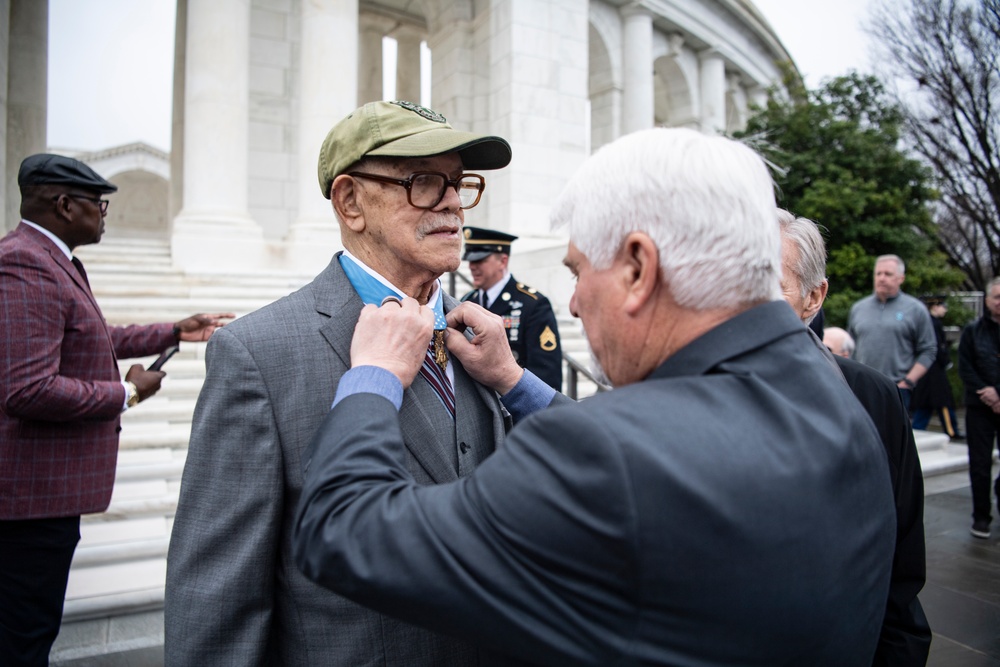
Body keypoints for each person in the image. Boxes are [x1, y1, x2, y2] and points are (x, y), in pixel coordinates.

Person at [293, 128, 897, 666]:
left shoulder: (605, 453)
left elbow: (343, 532)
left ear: (638, 268)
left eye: (580, 271)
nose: (575, 302)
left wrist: (372, 375)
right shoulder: (835, 391)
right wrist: (514, 381)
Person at [164, 100, 514, 666]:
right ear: (350, 201)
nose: (452, 201)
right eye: (423, 181)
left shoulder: (485, 341)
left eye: (458, 182)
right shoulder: (259, 353)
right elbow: (217, 598)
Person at [0, 153, 231, 667]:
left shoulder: (51, 259)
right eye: (97, 204)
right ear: (63, 204)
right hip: (30, 504)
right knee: (23, 634)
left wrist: (174, 331)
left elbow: (90, 337)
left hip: (45, 501)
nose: (104, 213)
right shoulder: (25, 262)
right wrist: (127, 394)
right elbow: (28, 389)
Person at [778, 210, 932, 666]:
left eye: (768, 284)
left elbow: (901, 577)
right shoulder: (690, 399)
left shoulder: (872, 399)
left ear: (813, 298)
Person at [460, 226, 562, 389]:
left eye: (480, 260)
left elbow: (546, 375)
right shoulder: (467, 301)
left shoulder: (533, 304)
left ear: (503, 261)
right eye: (470, 260)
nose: (472, 266)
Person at [848, 254, 937, 408]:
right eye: (878, 274)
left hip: (896, 389)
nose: (882, 278)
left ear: (901, 278)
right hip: (860, 388)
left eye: (888, 274)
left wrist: (908, 381)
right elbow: (849, 347)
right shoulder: (858, 308)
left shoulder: (915, 309)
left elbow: (928, 349)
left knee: (893, 432)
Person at [957, 277, 1000, 540]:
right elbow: (965, 367)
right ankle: (981, 516)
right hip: (979, 406)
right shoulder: (973, 331)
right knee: (980, 463)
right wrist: (989, 394)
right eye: (996, 297)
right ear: (987, 300)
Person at [911, 297, 959, 438]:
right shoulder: (932, 323)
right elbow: (936, 346)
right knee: (941, 402)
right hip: (933, 371)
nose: (945, 309)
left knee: (925, 406)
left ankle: (916, 430)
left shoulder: (928, 322)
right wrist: (945, 360)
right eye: (942, 306)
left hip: (927, 371)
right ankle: (951, 431)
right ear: (934, 307)